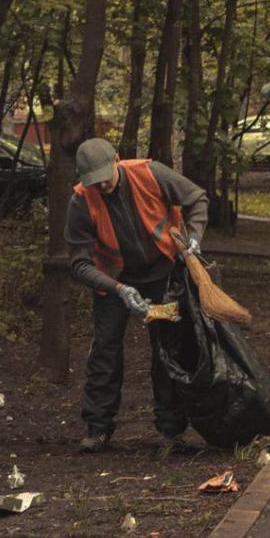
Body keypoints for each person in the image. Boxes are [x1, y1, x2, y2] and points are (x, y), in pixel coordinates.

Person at [64, 138, 208, 452]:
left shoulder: (151, 173)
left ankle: (172, 430)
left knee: (166, 347)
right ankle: (98, 428)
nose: (101, 187)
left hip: (162, 273)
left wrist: (194, 237)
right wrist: (119, 289)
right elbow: (78, 263)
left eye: (105, 178)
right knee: (105, 349)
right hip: (113, 279)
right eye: (94, 182)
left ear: (117, 160)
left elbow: (197, 198)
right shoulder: (80, 201)